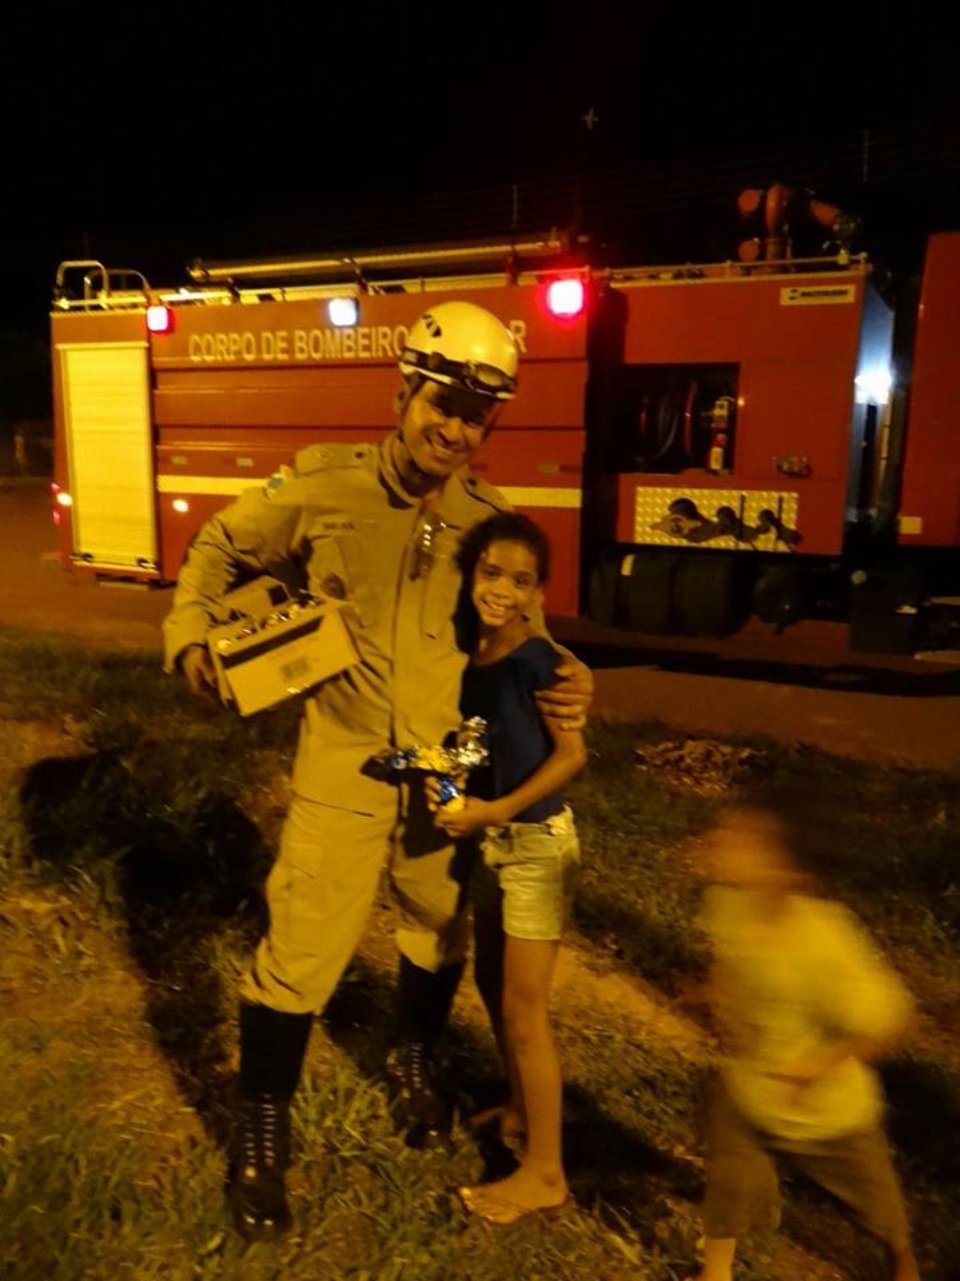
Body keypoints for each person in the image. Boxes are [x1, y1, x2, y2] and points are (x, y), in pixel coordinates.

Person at [161, 301, 593, 1241]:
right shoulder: (325, 485)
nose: (455, 429)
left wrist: (568, 675)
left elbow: (522, 622)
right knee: (303, 948)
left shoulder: (488, 520)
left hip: (447, 774)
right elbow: (221, 545)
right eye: (443, 404)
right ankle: (262, 1131)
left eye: (477, 417)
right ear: (405, 389)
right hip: (344, 766)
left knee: (437, 930)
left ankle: (411, 1056)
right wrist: (191, 630)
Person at [428, 512, 586, 1225]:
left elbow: (571, 756)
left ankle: (545, 1174)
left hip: (536, 847)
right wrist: (453, 788)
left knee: (527, 1013)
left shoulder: (537, 659)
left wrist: (492, 812)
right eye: (490, 572)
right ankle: (521, 1109)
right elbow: (480, 743)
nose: (501, 589)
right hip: (495, 845)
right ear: (470, 574)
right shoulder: (474, 651)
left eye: (519, 579)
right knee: (494, 988)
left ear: (537, 591)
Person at [690, 802, 921, 1281]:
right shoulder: (727, 904)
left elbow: (889, 1017)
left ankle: (902, 1260)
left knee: (875, 1204)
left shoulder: (825, 940)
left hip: (826, 1109)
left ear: (787, 871)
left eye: (742, 842)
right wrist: (718, 997)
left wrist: (817, 1068)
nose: (720, 843)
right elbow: (726, 961)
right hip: (751, 1090)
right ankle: (716, 1272)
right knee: (730, 1181)